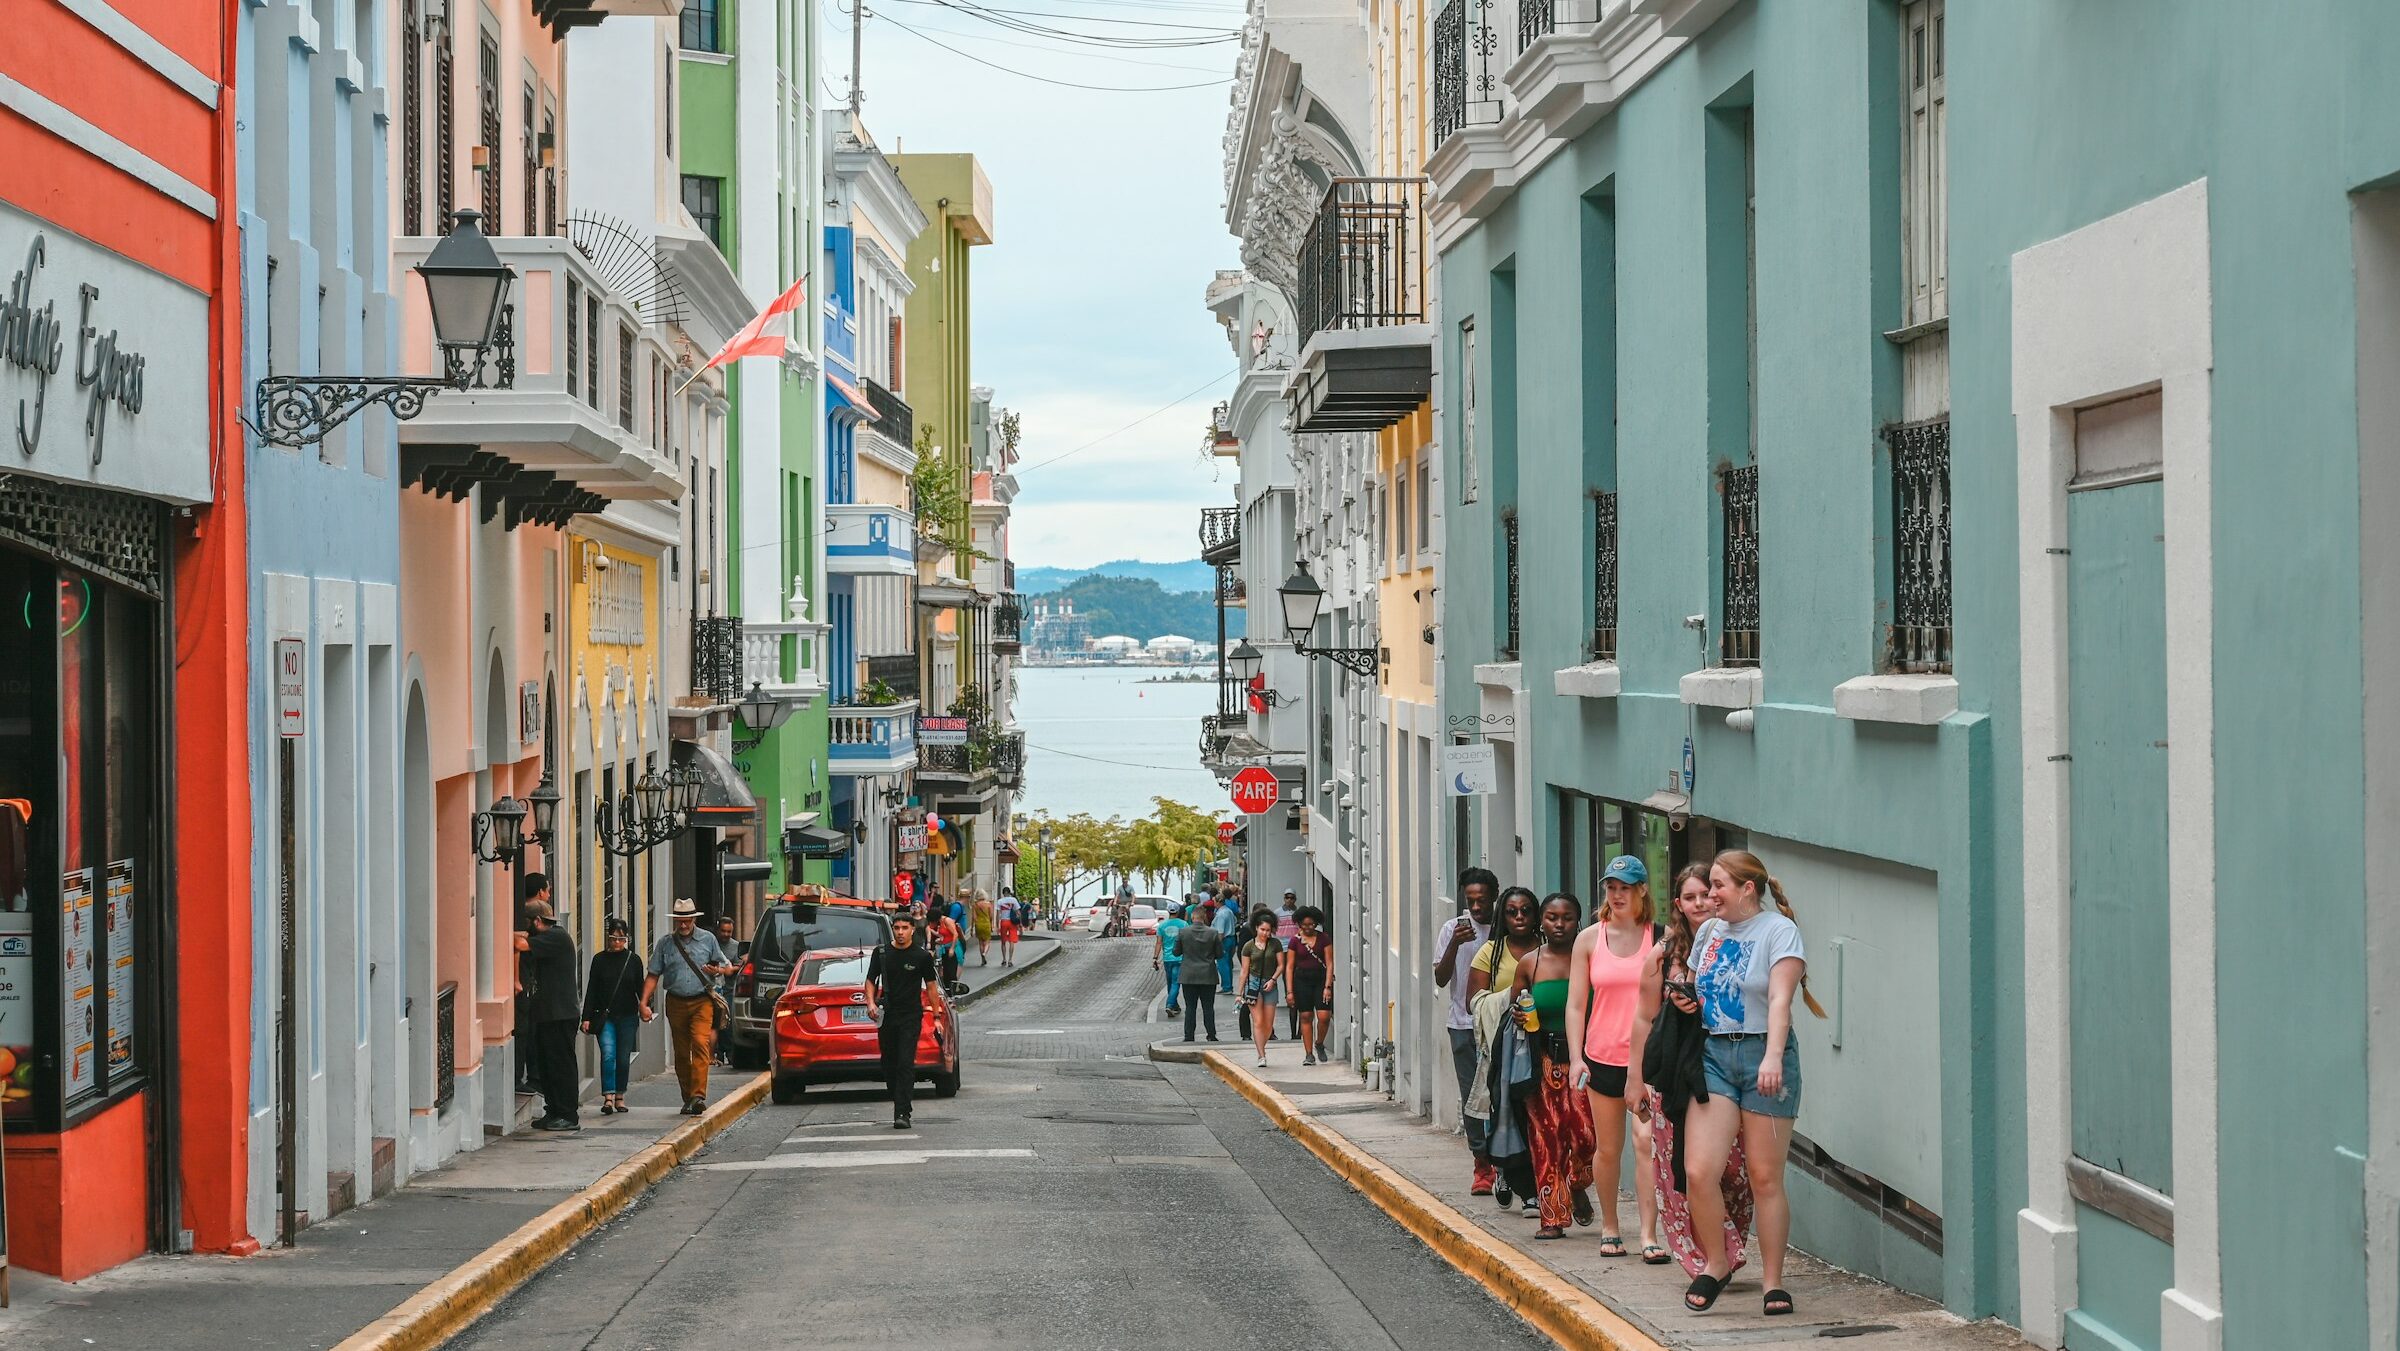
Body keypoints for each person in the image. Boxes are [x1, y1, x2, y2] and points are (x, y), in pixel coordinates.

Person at [1679, 850, 1826, 1317]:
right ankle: (1717, 1263)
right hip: (1715, 1056)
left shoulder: (1779, 931)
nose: (1709, 895)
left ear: (1747, 889)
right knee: (1700, 1171)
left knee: (1765, 1177)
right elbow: (1700, 986)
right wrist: (1684, 999)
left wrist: (1772, 1057)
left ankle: (1773, 1282)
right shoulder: (1708, 932)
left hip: (1765, 1054)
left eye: (1718, 885)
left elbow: (1781, 1000)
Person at [1635, 864, 1752, 1279]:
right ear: (1679, 906)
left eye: (1706, 893)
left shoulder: (1737, 942)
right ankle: (1709, 1257)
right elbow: (1644, 1020)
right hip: (1677, 1077)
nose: (1700, 903)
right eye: (1690, 897)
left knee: (1735, 1172)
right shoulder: (1663, 955)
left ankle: (1729, 1241)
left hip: (1726, 1072)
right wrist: (1638, 1082)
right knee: (1683, 1169)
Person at [1566, 856, 1663, 1262]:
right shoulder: (1589, 939)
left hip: (1648, 1060)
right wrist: (1576, 1058)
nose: (1617, 894)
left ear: (1642, 889)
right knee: (1608, 1149)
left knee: (1647, 1144)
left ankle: (1648, 1234)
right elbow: (1575, 1005)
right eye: (1611, 887)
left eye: (1625, 887)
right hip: (1602, 1057)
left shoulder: (1661, 938)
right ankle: (1610, 1226)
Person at [1507, 893, 1596, 1240]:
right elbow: (1517, 1006)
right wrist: (1517, 1013)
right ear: (1541, 922)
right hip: (1541, 1063)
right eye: (1552, 918)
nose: (1559, 925)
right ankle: (1552, 1218)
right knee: (1546, 1141)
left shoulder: (1589, 958)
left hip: (1583, 1061)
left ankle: (1576, 1184)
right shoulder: (1530, 962)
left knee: (1587, 1137)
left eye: (1567, 918)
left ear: (1578, 921)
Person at [1469, 887, 1542, 1211]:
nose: (1520, 917)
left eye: (1526, 910)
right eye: (1512, 912)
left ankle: (1536, 1186)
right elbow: (1475, 1000)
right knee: (1503, 1111)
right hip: (1503, 1046)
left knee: (1535, 1115)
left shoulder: (1548, 947)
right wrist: (1510, 999)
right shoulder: (1490, 952)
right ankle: (1506, 1172)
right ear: (1503, 917)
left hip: (1541, 1042)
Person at [642, 896, 736, 1115]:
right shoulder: (665, 943)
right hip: (675, 1001)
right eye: (679, 920)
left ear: (694, 918)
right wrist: (644, 1002)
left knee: (700, 1044)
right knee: (682, 1054)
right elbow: (653, 974)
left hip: (702, 1000)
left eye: (687, 920)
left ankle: (698, 1095)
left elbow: (726, 966)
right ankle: (688, 1097)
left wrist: (718, 971)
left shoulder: (708, 939)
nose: (683, 925)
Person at [1435, 868, 1498, 1194]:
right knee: (1472, 1098)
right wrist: (1454, 947)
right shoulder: (1452, 929)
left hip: (1500, 1026)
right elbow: (1441, 979)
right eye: (1470, 900)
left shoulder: (1504, 928)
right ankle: (1482, 1165)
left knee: (1502, 1094)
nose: (1475, 907)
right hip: (1462, 1025)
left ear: (1493, 898)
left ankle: (1505, 1159)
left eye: (1481, 900)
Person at [864, 911, 940, 1129]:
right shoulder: (881, 954)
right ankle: (898, 1097)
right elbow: (870, 980)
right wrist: (870, 1003)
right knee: (889, 1062)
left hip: (911, 1016)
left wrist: (935, 1017)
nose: (900, 932)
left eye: (904, 928)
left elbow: (932, 987)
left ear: (912, 930)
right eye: (896, 928)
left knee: (906, 1062)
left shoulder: (921, 956)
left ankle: (902, 1112)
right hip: (887, 1015)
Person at [519, 898, 581, 1130]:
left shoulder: (556, 936)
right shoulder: (546, 937)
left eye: (526, 923)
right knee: (546, 1066)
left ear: (536, 921)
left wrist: (511, 935)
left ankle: (568, 1114)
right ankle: (554, 1110)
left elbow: (522, 946)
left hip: (561, 1014)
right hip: (547, 1013)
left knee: (561, 1065)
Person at [582, 917, 644, 1115]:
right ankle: (608, 1097)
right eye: (613, 938)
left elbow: (640, 989)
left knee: (623, 1057)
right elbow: (591, 989)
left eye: (621, 939)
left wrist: (645, 1006)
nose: (617, 943)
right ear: (608, 938)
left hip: (627, 1016)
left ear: (627, 939)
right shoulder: (599, 960)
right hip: (604, 1016)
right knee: (608, 1054)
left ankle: (620, 1096)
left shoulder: (633, 961)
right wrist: (586, 1017)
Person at [513, 873, 551, 1092]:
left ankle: (530, 1076)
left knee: (527, 1029)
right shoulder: (533, 922)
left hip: (528, 983)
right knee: (526, 1030)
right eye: (547, 890)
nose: (548, 895)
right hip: (526, 984)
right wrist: (517, 980)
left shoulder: (521, 917)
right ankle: (528, 1077)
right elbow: (519, 945)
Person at [1283, 906, 1334, 1065]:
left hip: (1320, 979)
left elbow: (1330, 963)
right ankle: (1309, 1054)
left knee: (1324, 1016)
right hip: (1301, 980)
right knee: (1305, 1016)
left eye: (1311, 924)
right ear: (1299, 924)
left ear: (1316, 923)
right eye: (1304, 925)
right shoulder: (1294, 941)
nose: (1308, 928)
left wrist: (1327, 987)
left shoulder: (1324, 938)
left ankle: (1319, 1043)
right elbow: (1289, 967)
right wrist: (1290, 991)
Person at [1236, 913, 1284, 1067]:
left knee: (1268, 1025)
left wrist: (1273, 979)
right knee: (1258, 1021)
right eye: (1262, 929)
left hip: (1270, 984)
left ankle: (1261, 1048)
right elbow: (1244, 971)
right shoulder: (1248, 946)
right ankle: (1261, 1055)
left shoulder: (1275, 944)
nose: (1265, 933)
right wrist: (1239, 993)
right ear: (1256, 928)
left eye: (1268, 930)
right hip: (1253, 985)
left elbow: (1281, 965)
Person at [1175, 903, 1225, 1043]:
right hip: (1208, 974)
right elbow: (1220, 954)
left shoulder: (1183, 932)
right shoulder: (1213, 933)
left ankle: (1189, 1036)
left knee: (1190, 1007)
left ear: (1192, 917)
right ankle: (1211, 1034)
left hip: (1188, 975)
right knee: (1208, 1007)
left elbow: (1176, 951)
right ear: (1204, 917)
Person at [1155, 904, 1191, 1015]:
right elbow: (1187, 940)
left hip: (1167, 958)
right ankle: (1170, 1004)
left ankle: (1174, 1005)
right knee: (1176, 983)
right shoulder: (1183, 924)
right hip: (1179, 958)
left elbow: (1159, 943)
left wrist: (1155, 957)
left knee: (1170, 983)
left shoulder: (1162, 926)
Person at [1210, 887, 1241, 993]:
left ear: (1218, 902)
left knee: (1222, 964)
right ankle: (1228, 986)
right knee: (1227, 963)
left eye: (1214, 901)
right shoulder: (1228, 911)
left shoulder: (1221, 914)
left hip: (1224, 940)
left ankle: (1226, 986)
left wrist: (1216, 944)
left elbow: (1220, 932)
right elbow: (1235, 921)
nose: (1213, 903)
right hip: (1231, 938)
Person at [995, 890, 1022, 966]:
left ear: (1003, 893)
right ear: (1009, 893)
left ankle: (1004, 959)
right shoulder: (1013, 900)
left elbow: (998, 915)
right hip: (1012, 922)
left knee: (1003, 942)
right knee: (1011, 941)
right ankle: (1010, 960)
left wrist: (997, 926)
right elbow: (1018, 913)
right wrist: (1020, 924)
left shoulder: (1000, 901)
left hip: (1004, 922)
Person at [971, 890, 996, 965]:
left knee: (981, 942)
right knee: (987, 941)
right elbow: (991, 916)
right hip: (986, 924)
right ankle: (984, 953)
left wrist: (972, 928)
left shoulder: (975, 905)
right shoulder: (988, 904)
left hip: (978, 924)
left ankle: (982, 960)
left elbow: (974, 917)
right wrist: (992, 925)